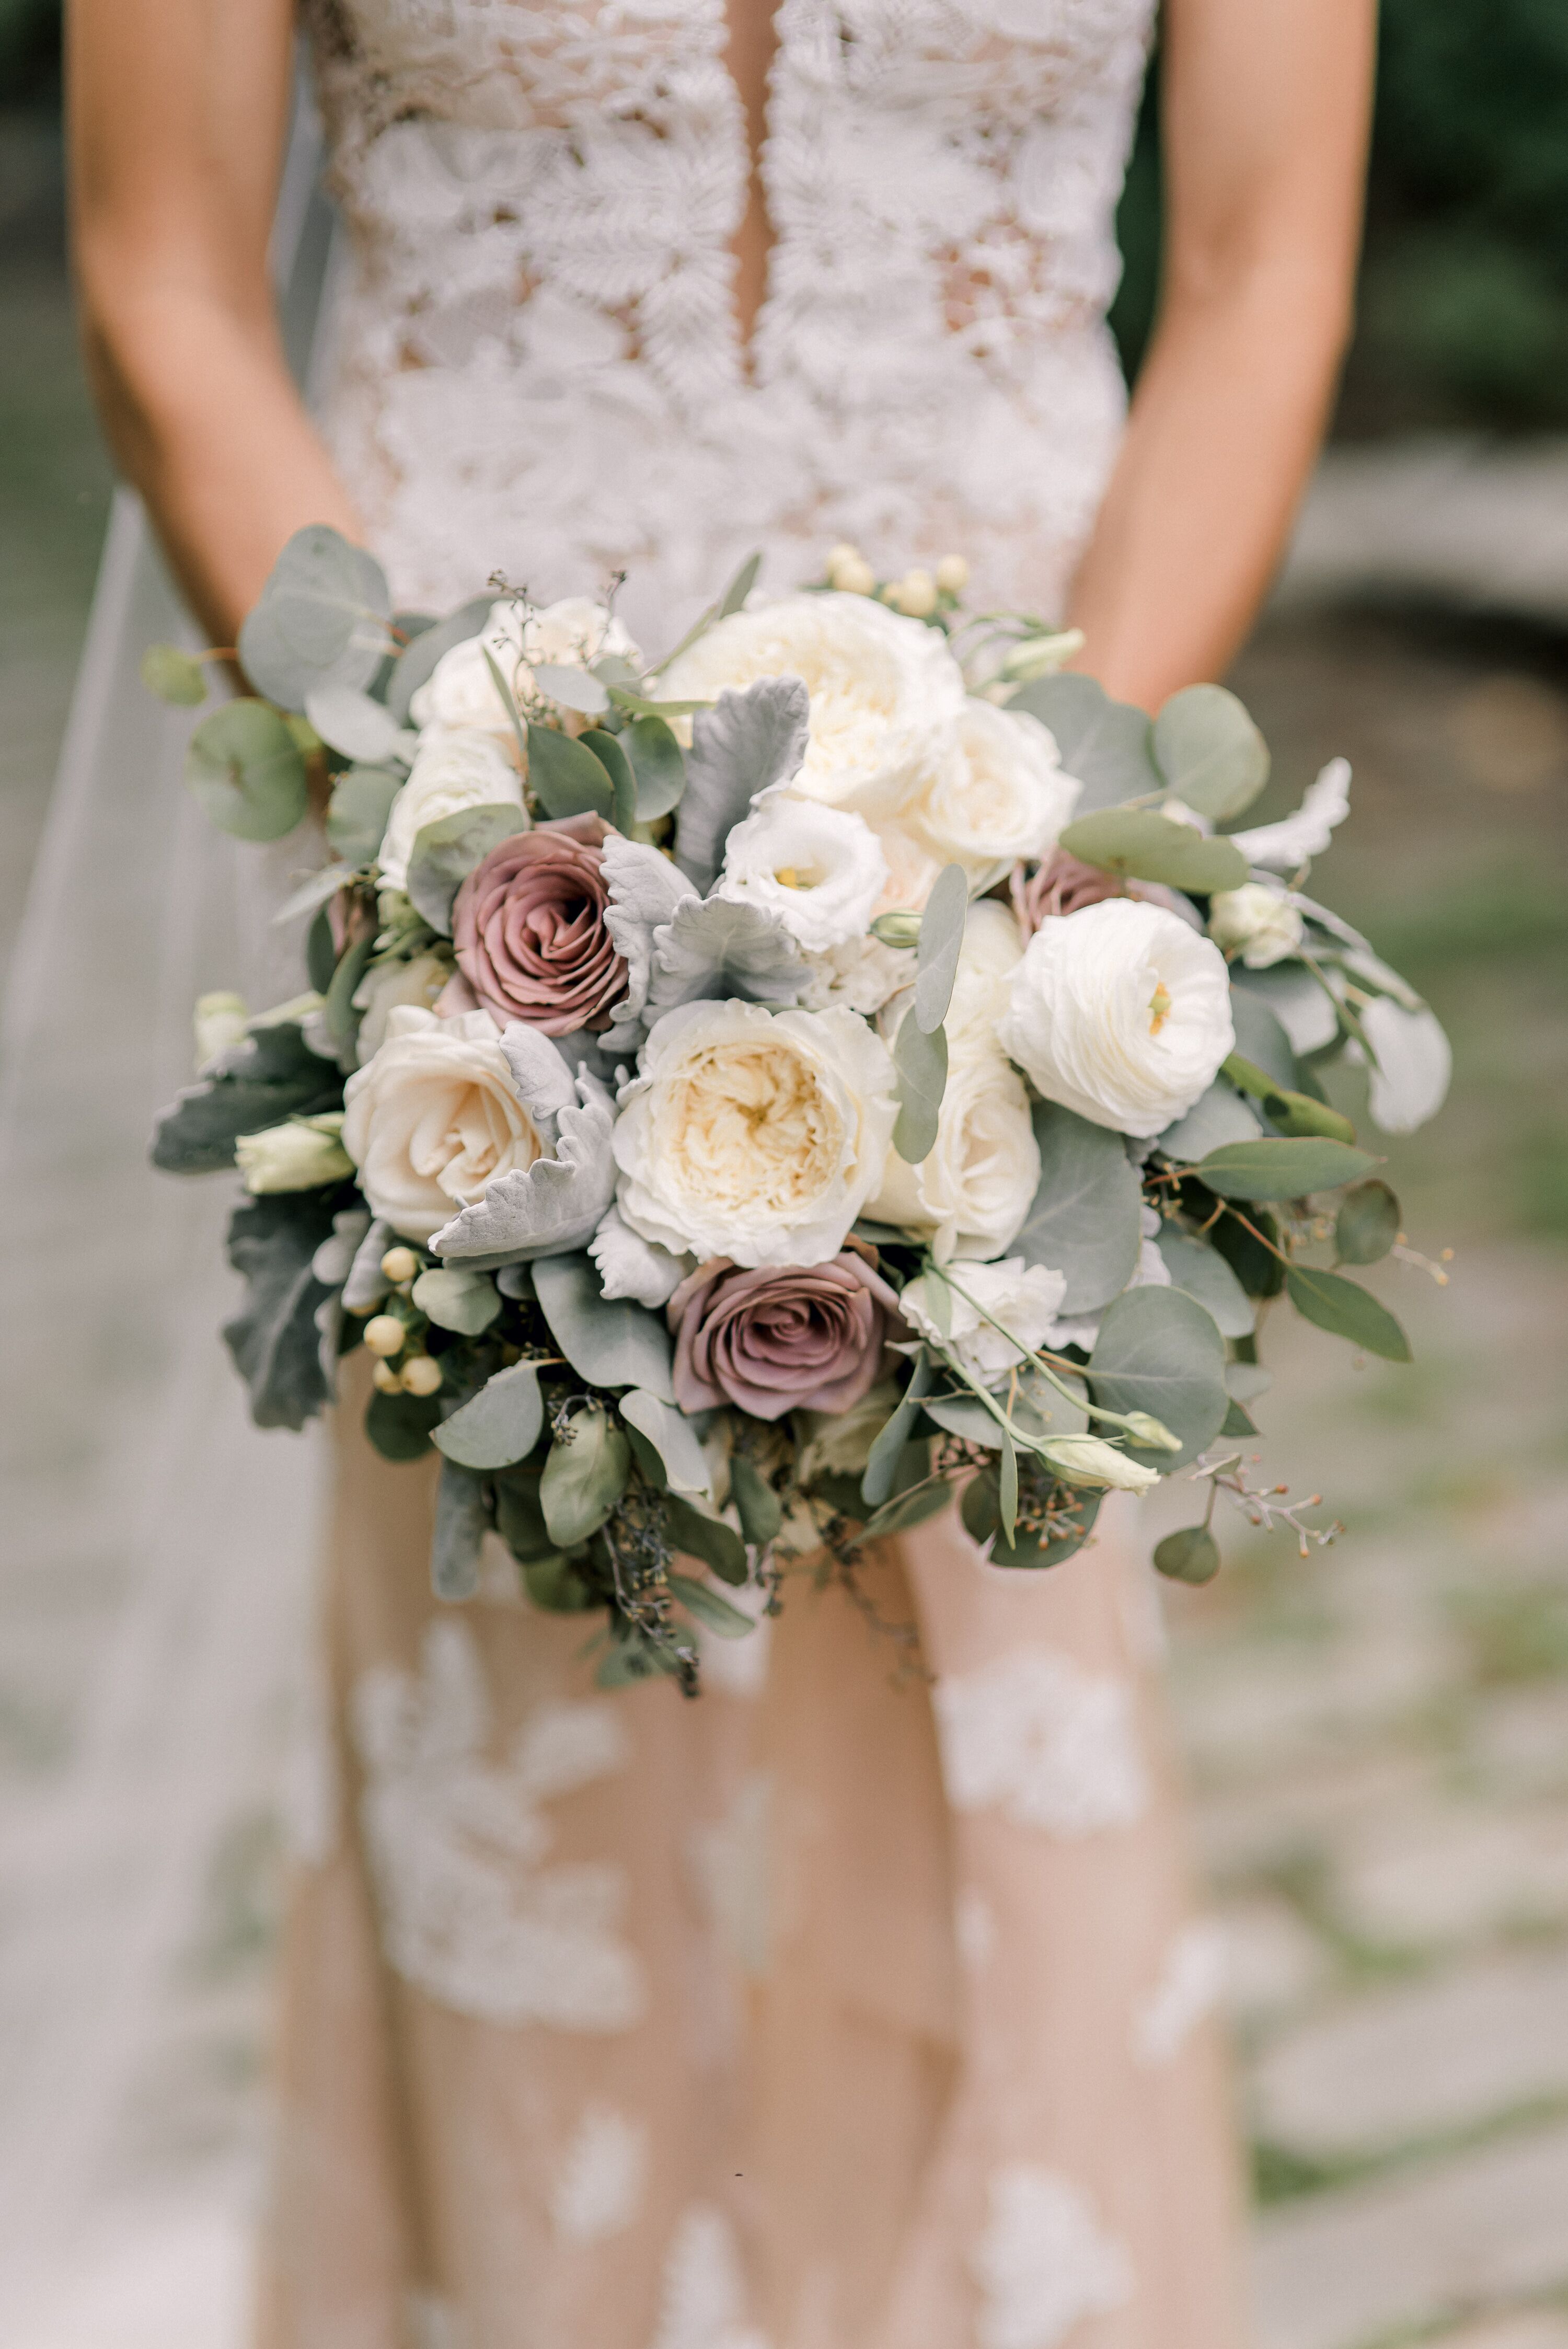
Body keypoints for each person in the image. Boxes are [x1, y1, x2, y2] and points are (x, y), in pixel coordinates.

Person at [66, 1, 1374, 2341]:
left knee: (1005, 1657)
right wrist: (455, 857)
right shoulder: (465, 913)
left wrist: (998, 889)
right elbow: (164, 274)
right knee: (530, 1718)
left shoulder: (1001, 894)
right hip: (474, 915)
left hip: (1001, 870)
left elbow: (1268, 263)